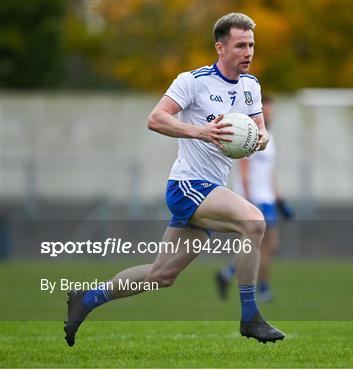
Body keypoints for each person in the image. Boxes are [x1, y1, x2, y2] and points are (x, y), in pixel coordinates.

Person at [64, 12, 285, 346]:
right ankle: (250, 316)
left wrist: (258, 138)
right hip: (188, 186)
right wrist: (201, 131)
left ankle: (86, 299)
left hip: (213, 190)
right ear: (220, 47)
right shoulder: (193, 81)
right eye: (241, 45)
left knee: (161, 275)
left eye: (252, 45)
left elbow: (262, 132)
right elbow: (156, 119)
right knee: (253, 222)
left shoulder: (251, 86)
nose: (248, 52)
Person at [215, 96, 294, 302]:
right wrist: (248, 199)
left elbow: (269, 172)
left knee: (266, 246)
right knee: (264, 245)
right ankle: (262, 290)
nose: (269, 112)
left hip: (267, 198)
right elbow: (244, 168)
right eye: (266, 108)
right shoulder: (249, 132)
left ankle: (228, 273)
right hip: (255, 198)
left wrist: (279, 199)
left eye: (271, 109)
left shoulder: (269, 137)